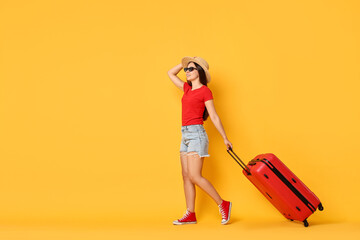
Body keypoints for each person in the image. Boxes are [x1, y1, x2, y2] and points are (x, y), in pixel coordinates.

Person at [167, 56, 233, 225]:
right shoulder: (187, 89)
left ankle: (223, 204)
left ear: (200, 72)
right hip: (185, 135)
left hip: (197, 135)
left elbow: (214, 116)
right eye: (186, 70)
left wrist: (225, 138)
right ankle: (190, 213)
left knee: (195, 176)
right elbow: (170, 73)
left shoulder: (205, 91)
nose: (187, 72)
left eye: (191, 69)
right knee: (186, 176)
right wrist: (185, 63)